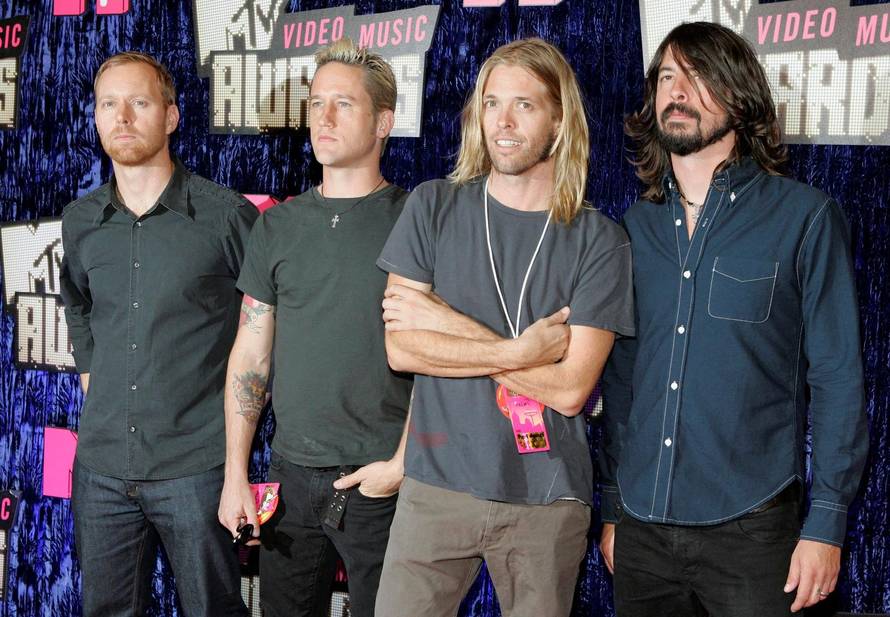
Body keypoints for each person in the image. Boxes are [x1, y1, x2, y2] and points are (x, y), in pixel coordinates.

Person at [598, 22, 869, 617]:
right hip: (640, 530)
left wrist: (826, 524)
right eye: (668, 77)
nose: (677, 92)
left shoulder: (804, 217)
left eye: (697, 79)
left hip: (752, 532)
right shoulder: (632, 229)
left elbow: (838, 377)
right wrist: (615, 506)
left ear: (740, 96)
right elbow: (620, 378)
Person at [373, 38, 634, 617]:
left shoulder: (600, 240)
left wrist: (447, 324)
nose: (503, 122)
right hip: (436, 486)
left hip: (546, 498)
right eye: (491, 103)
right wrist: (522, 350)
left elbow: (570, 390)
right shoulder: (433, 205)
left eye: (524, 104)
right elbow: (401, 348)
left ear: (560, 120)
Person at [217, 38, 412, 617]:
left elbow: (440, 356)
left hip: (380, 480)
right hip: (290, 480)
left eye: (343, 104)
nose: (323, 118)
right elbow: (251, 355)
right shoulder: (278, 227)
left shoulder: (416, 220)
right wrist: (236, 476)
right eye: (316, 102)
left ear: (384, 122)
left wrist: (402, 465)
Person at [59, 51, 257, 616]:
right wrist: (95, 373)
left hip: (196, 470)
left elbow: (265, 330)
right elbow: (76, 303)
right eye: (108, 104)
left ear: (171, 116)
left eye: (139, 103)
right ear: (96, 118)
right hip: (98, 471)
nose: (122, 117)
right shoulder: (80, 221)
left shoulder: (226, 217)